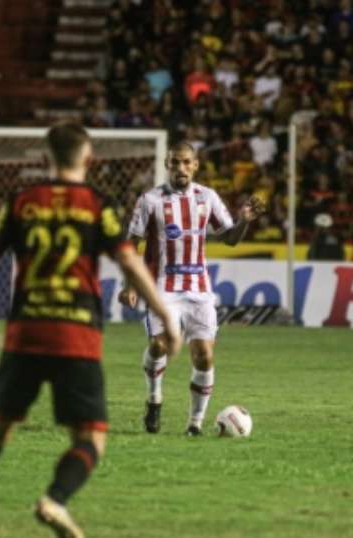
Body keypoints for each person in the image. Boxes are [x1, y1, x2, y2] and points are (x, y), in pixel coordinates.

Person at [0, 123, 181, 538]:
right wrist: (166, 314)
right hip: (77, 335)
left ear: (44, 159)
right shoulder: (95, 204)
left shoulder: (21, 200)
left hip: (25, 334)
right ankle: (54, 499)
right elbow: (129, 262)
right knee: (91, 438)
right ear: (89, 160)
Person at [118, 141, 264, 436]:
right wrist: (130, 284)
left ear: (195, 165)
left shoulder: (207, 197)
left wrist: (243, 221)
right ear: (167, 165)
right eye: (175, 163)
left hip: (198, 289)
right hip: (162, 289)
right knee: (160, 346)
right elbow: (132, 245)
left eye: (186, 162)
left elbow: (230, 238)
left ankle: (194, 425)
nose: (181, 168)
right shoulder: (150, 200)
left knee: (204, 356)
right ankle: (154, 398)